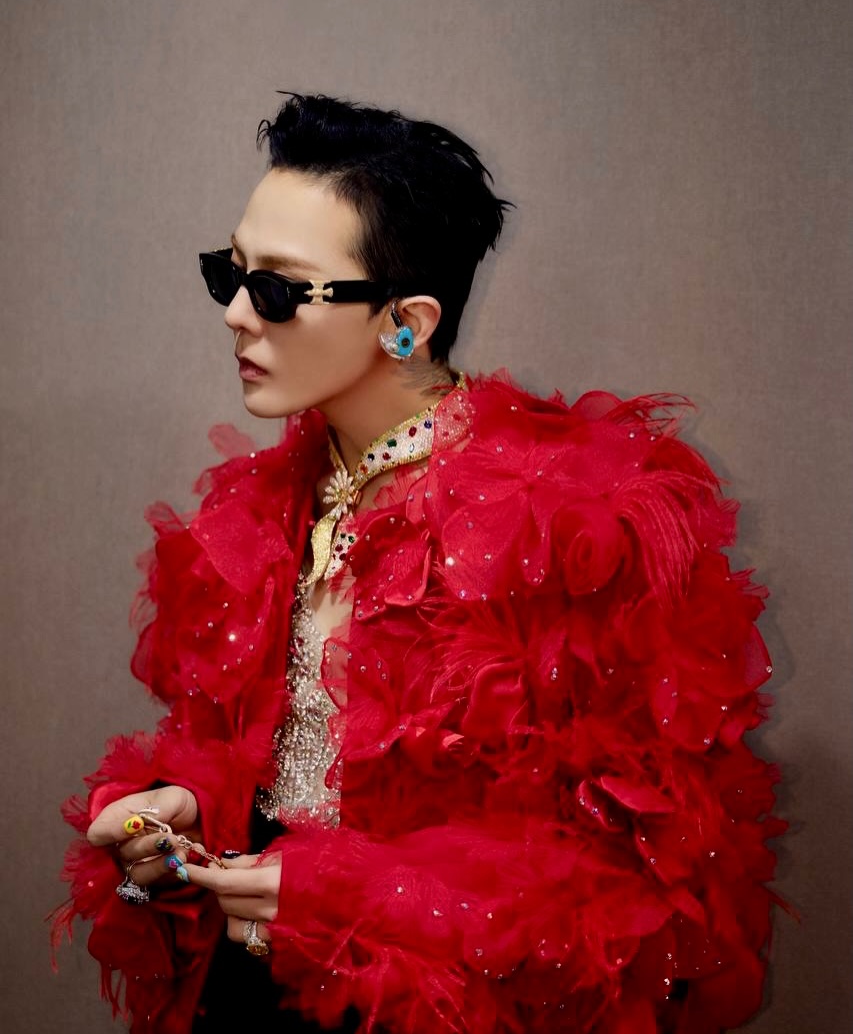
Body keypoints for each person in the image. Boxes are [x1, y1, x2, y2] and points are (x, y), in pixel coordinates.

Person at [55, 94, 786, 1034]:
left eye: (276, 290)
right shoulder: (253, 511)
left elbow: (635, 881)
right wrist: (184, 805)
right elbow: (269, 759)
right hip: (248, 992)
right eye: (228, 274)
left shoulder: (576, 529)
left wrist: (354, 895)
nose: (235, 314)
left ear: (404, 322)